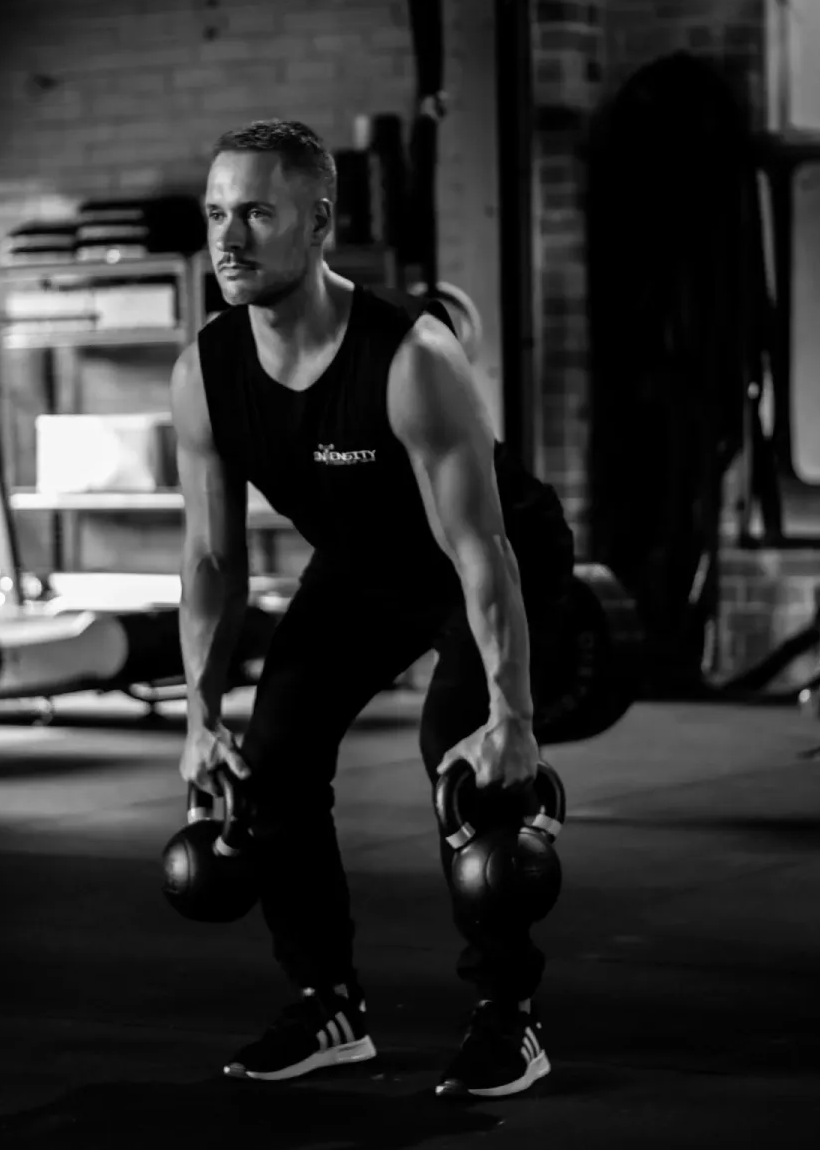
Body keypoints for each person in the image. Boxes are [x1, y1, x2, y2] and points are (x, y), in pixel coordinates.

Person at [171, 119, 575, 1099]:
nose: (229, 239)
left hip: (489, 560)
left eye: (257, 213)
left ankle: (508, 1015)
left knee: (463, 764)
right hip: (360, 564)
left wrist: (510, 721)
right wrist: (197, 715)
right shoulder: (207, 370)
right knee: (272, 759)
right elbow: (215, 560)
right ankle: (328, 1003)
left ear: (319, 224)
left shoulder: (410, 357)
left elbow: (483, 554)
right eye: (218, 213)